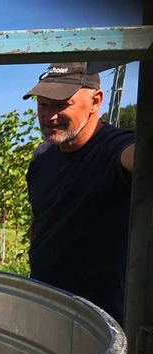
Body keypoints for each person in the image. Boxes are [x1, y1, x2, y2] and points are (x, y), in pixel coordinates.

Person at [23, 62, 135, 325]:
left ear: (95, 101)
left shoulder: (116, 149)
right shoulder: (42, 156)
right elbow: (40, 221)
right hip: (45, 302)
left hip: (97, 321)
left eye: (61, 104)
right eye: (43, 104)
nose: (49, 116)